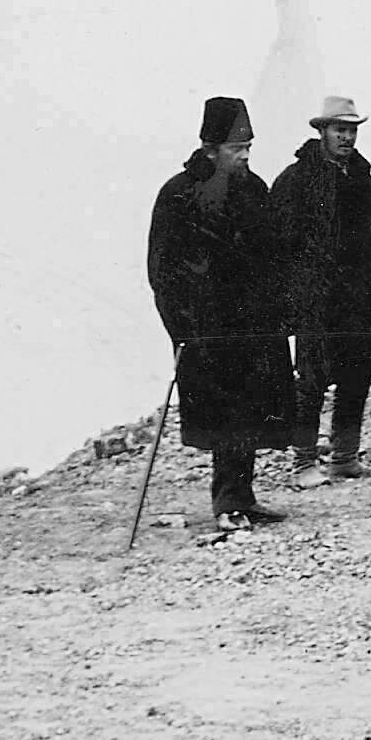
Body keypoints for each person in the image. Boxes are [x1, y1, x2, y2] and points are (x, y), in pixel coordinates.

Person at [145, 97, 297, 536]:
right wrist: (181, 328)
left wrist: (281, 306)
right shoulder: (177, 193)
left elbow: (273, 254)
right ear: (210, 149)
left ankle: (244, 498)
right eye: (236, 149)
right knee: (224, 415)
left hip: (254, 324)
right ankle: (226, 502)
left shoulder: (254, 189)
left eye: (249, 147)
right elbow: (163, 270)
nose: (245, 156)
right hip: (207, 328)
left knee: (253, 411)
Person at [270, 95, 371, 481]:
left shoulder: (362, 177)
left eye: (352, 130)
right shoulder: (296, 179)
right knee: (312, 380)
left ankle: (345, 458)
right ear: (322, 132)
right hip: (317, 299)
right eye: (339, 130)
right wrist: (295, 295)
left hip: (361, 297)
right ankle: (303, 463)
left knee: (357, 376)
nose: (347, 137)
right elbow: (278, 244)